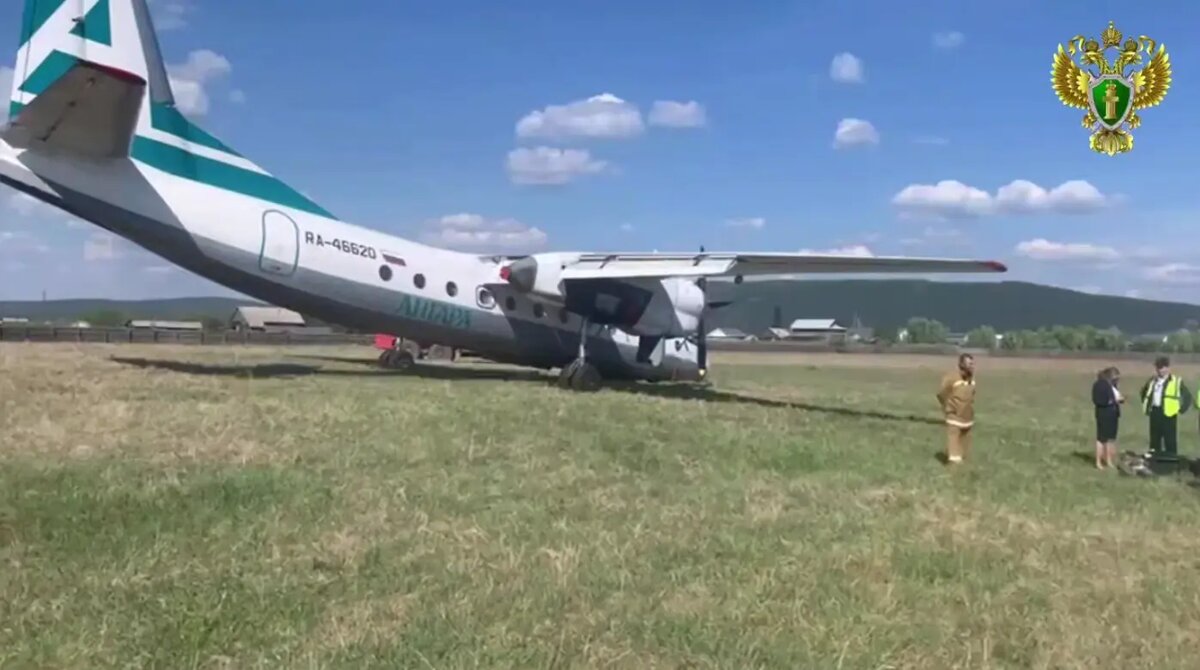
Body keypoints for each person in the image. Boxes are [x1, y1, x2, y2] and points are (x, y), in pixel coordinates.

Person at [1139, 356, 1192, 459]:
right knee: (1155, 439)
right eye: (1158, 368)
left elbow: (1187, 396)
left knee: (1170, 440)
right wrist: (1147, 404)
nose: (1161, 370)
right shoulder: (1152, 381)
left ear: (1168, 368)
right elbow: (1144, 393)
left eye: (1163, 367)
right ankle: (1155, 461)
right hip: (1155, 412)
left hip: (1169, 413)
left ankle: (1171, 460)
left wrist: (1182, 409)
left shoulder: (1176, 381)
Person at [936, 353, 977, 465]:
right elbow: (941, 394)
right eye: (969, 364)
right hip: (954, 416)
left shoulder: (972, 379)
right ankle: (953, 466)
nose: (972, 366)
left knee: (964, 445)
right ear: (961, 364)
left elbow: (972, 395)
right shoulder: (951, 378)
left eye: (972, 364)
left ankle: (961, 463)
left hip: (967, 417)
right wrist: (949, 407)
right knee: (954, 445)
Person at [1091, 366, 1124, 469]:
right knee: (1101, 438)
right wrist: (1113, 401)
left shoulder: (1112, 385)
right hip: (1103, 414)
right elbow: (1098, 400)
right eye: (1115, 377)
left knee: (1110, 439)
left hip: (1113, 414)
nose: (1117, 380)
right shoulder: (1099, 385)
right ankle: (1098, 462)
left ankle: (1108, 460)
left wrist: (1120, 399)